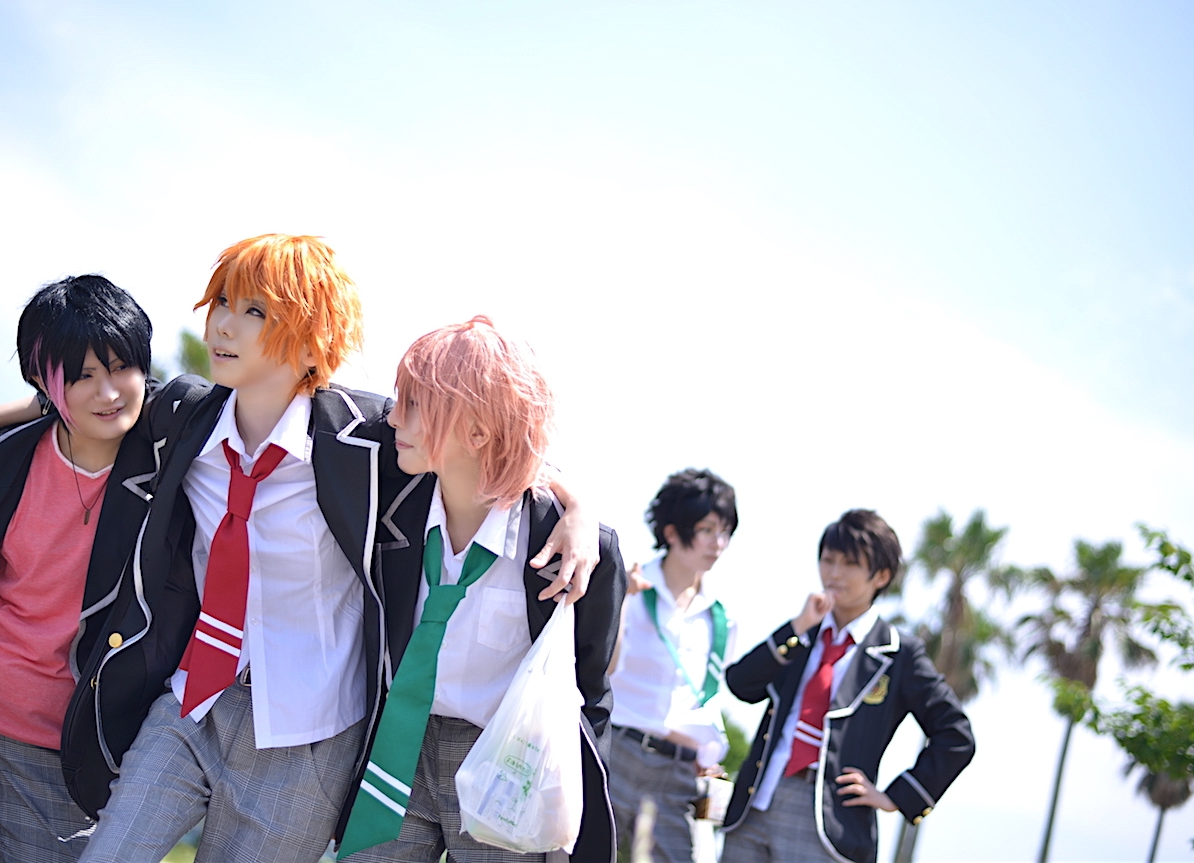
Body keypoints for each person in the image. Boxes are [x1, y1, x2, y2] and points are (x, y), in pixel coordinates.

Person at [53, 236, 598, 863]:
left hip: (307, 733)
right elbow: (103, 402)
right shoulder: (184, 413)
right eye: (223, 301)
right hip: (191, 700)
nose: (223, 324)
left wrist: (579, 508)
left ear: (312, 344)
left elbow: (482, 441)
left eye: (255, 312)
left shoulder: (364, 438)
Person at [0, 275, 199, 862]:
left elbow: (197, 396)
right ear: (43, 382)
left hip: (63, 742)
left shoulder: (164, 469)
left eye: (121, 367)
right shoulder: (0, 456)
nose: (108, 392)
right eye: (82, 376)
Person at [337, 316, 625, 863]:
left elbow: (590, 690)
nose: (394, 416)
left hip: (504, 761)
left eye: (415, 405)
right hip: (397, 746)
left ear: (477, 433)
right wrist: (579, 496)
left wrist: (575, 814)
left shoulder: (563, 545)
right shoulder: (396, 485)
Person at [719, 509, 975, 863]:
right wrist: (796, 627)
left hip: (830, 823)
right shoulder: (803, 633)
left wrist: (898, 797)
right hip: (755, 804)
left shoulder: (899, 653)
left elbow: (956, 735)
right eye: (828, 560)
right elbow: (741, 684)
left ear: (881, 575)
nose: (834, 573)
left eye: (850, 563)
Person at [604, 468, 738, 863]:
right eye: (707, 530)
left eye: (725, 532)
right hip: (616, 750)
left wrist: (709, 751)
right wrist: (621, 598)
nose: (718, 543)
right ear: (673, 532)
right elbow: (603, 667)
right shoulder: (628, 582)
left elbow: (705, 693)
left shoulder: (722, 617)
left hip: (676, 770)